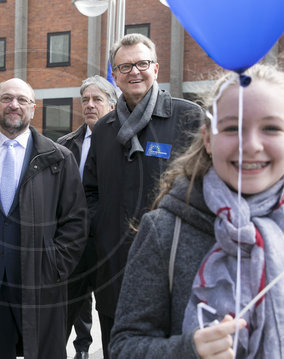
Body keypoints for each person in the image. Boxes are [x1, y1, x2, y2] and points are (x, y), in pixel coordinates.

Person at [110, 63, 284, 358]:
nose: (251, 145)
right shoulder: (163, 230)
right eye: (232, 128)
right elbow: (124, 346)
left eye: (271, 128)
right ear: (207, 139)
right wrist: (187, 350)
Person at [0, 78, 88, 359]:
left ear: (33, 108)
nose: (14, 105)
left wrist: (53, 265)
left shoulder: (58, 159)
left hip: (39, 286)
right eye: (7, 98)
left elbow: (76, 223)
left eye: (22, 100)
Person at [83, 33, 203, 358]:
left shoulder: (189, 117)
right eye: (125, 66)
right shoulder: (104, 130)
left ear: (156, 68)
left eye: (142, 63)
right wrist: (103, 231)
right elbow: (89, 192)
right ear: (115, 74)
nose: (134, 72)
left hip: (172, 264)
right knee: (117, 347)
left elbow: (206, 185)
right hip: (114, 265)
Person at [57, 75, 118, 359]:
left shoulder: (123, 140)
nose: (90, 105)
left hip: (108, 243)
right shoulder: (65, 144)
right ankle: (75, 350)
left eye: (97, 100)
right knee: (64, 308)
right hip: (72, 242)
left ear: (112, 104)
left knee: (110, 312)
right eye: (85, 100)